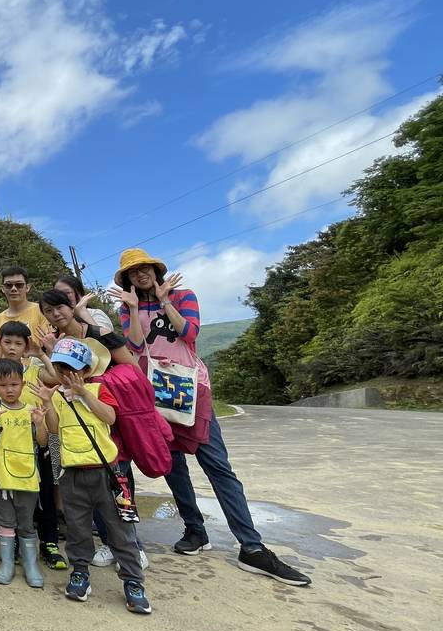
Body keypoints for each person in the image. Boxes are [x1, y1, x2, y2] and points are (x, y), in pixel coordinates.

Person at [109, 249, 311, 586]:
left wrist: (164, 302)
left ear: (155, 269)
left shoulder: (183, 294)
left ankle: (251, 545)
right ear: (128, 278)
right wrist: (131, 308)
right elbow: (133, 346)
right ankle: (195, 530)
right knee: (173, 466)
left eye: (144, 269)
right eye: (133, 272)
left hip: (190, 386)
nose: (140, 275)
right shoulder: (127, 305)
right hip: (155, 390)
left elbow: (189, 333)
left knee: (217, 464)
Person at [37, 337, 152, 615]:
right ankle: (79, 573)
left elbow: (110, 418)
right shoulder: (58, 397)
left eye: (72, 370)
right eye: (61, 370)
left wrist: (85, 394)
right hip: (72, 474)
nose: (67, 376)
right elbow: (53, 431)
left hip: (106, 473)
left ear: (87, 371)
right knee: (77, 528)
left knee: (119, 530)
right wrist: (47, 405)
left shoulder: (100, 389)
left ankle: (134, 582)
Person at [0, 359, 48, 589]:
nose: (9, 389)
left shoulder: (31, 411)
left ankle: (31, 564)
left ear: (23, 384)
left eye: (14, 384)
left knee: (27, 523)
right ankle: (7, 563)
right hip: (0, 479)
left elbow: (43, 441)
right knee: (5, 521)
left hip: (27, 477)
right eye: (3, 385)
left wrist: (40, 423)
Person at [0, 266, 51, 344]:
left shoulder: (42, 311)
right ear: (3, 288)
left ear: (27, 287)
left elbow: (50, 344)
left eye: (19, 285)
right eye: (8, 285)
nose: (13, 289)